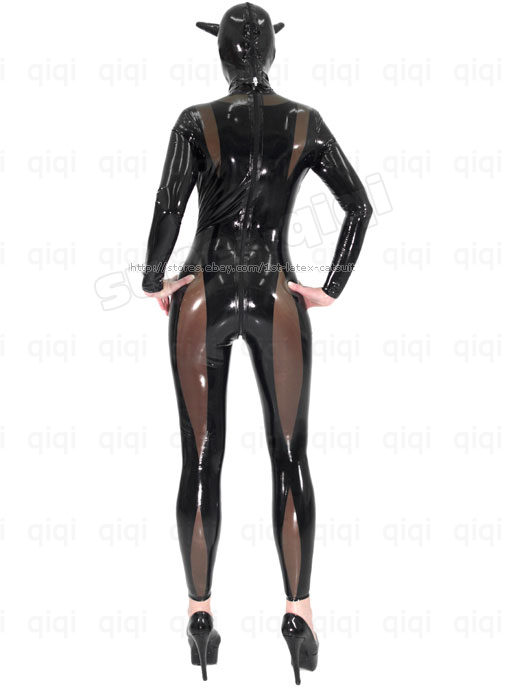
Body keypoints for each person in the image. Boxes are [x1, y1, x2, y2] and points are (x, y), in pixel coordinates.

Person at [142, 3, 373, 682]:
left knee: (200, 457)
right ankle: (299, 616)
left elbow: (168, 206)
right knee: (290, 455)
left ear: (222, 55)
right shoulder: (304, 121)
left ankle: (199, 615)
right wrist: (329, 286)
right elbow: (359, 205)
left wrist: (156, 279)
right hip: (277, 292)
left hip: (202, 294)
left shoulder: (195, 121)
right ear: (271, 53)